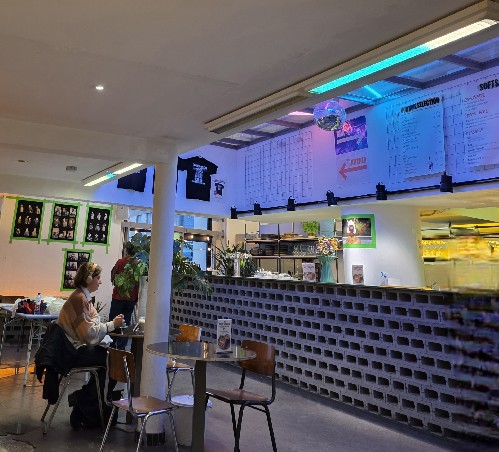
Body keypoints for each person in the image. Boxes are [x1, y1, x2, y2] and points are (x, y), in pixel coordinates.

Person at [57, 262, 125, 429]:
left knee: (110, 363)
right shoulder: (79, 299)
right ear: (89, 279)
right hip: (73, 352)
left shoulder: (82, 297)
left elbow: (93, 323)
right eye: (98, 278)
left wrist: (104, 325)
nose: (100, 282)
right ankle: (83, 402)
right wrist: (112, 325)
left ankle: (85, 404)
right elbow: (88, 335)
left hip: (72, 349)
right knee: (114, 362)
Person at [109, 242, 139, 349]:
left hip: (118, 297)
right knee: (126, 322)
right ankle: (121, 348)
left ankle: (112, 346)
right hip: (131, 298)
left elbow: (113, 277)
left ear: (127, 251)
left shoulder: (120, 262)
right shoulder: (138, 264)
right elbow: (139, 282)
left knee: (114, 321)